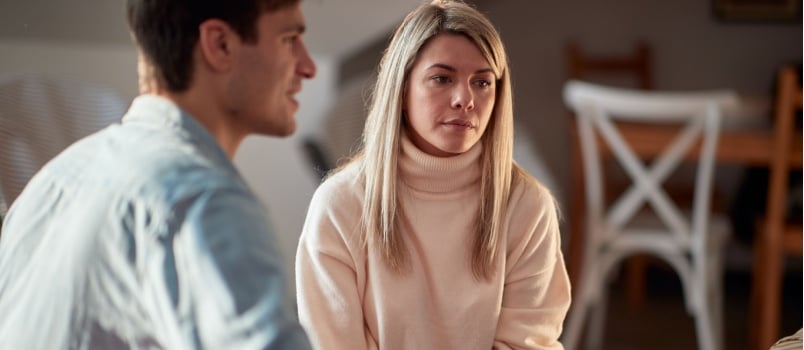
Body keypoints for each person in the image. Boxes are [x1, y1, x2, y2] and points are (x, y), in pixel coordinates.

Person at [0, 0, 316, 349]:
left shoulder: (48, 186)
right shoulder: (199, 198)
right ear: (219, 44)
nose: (308, 67)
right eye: (289, 39)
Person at [295, 1, 571, 349]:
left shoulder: (527, 207)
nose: (464, 99)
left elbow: (528, 343)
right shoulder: (339, 206)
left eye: (482, 82)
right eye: (442, 78)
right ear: (402, 91)